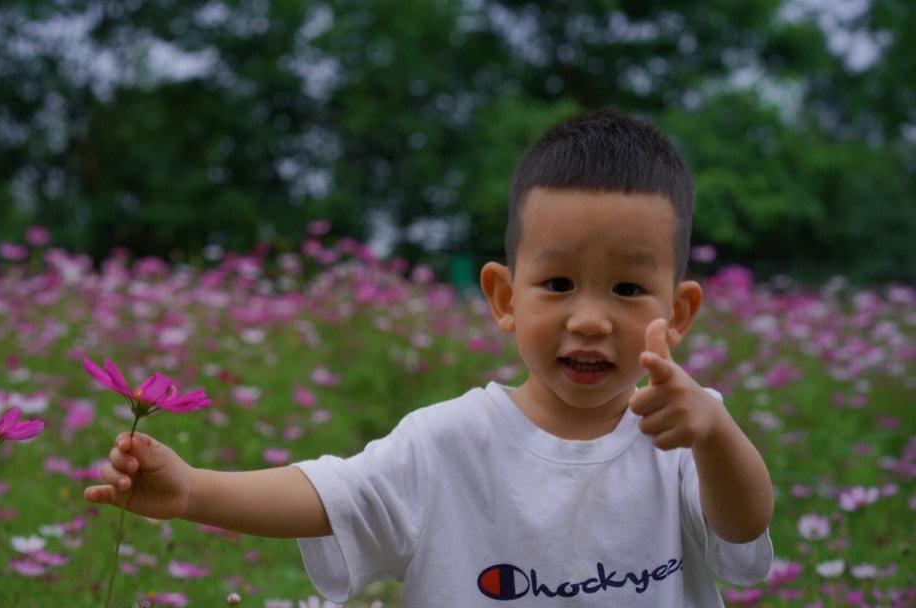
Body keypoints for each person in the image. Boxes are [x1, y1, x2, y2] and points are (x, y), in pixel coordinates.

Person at [84, 110, 774, 606]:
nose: (589, 318)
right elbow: (333, 494)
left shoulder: (688, 430)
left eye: (627, 289)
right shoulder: (449, 441)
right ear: (505, 297)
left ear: (677, 314)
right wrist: (194, 490)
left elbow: (743, 534)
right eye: (557, 284)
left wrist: (715, 434)